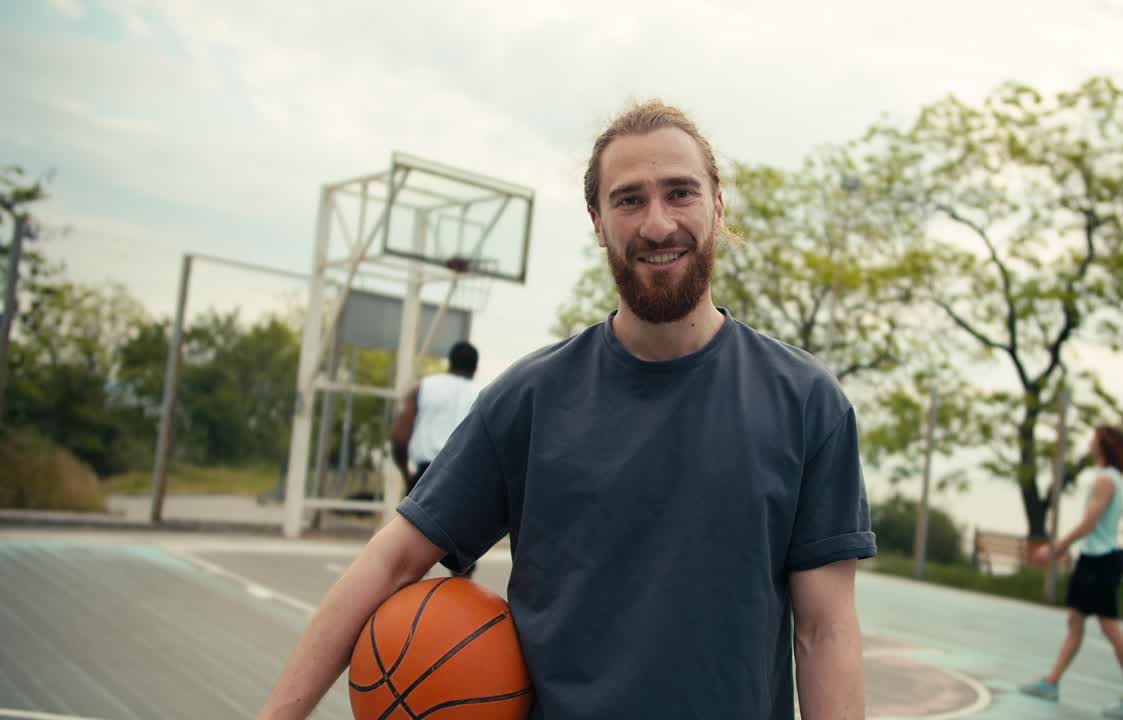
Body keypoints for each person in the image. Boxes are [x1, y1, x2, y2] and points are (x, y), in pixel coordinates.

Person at [258, 100, 876, 720]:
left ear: (717, 206)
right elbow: (392, 562)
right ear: (597, 221)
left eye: (680, 193)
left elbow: (822, 633)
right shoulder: (530, 398)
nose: (658, 224)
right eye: (629, 199)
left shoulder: (806, 404)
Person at [1020, 425, 1123, 719]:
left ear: (1103, 445)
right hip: (1093, 559)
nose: (1089, 443)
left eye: (1093, 439)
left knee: (1109, 626)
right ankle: (1051, 682)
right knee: (1075, 619)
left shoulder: (1106, 480)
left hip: (1100, 562)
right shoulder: (1109, 478)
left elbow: (1090, 522)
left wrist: (1058, 547)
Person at [390, 340, 480, 578]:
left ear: (449, 363)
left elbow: (399, 439)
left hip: (426, 476)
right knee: (462, 570)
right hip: (466, 479)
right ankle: (458, 613)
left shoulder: (422, 388)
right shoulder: (483, 394)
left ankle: (404, 615)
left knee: (407, 565)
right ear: (474, 368)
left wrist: (405, 473)